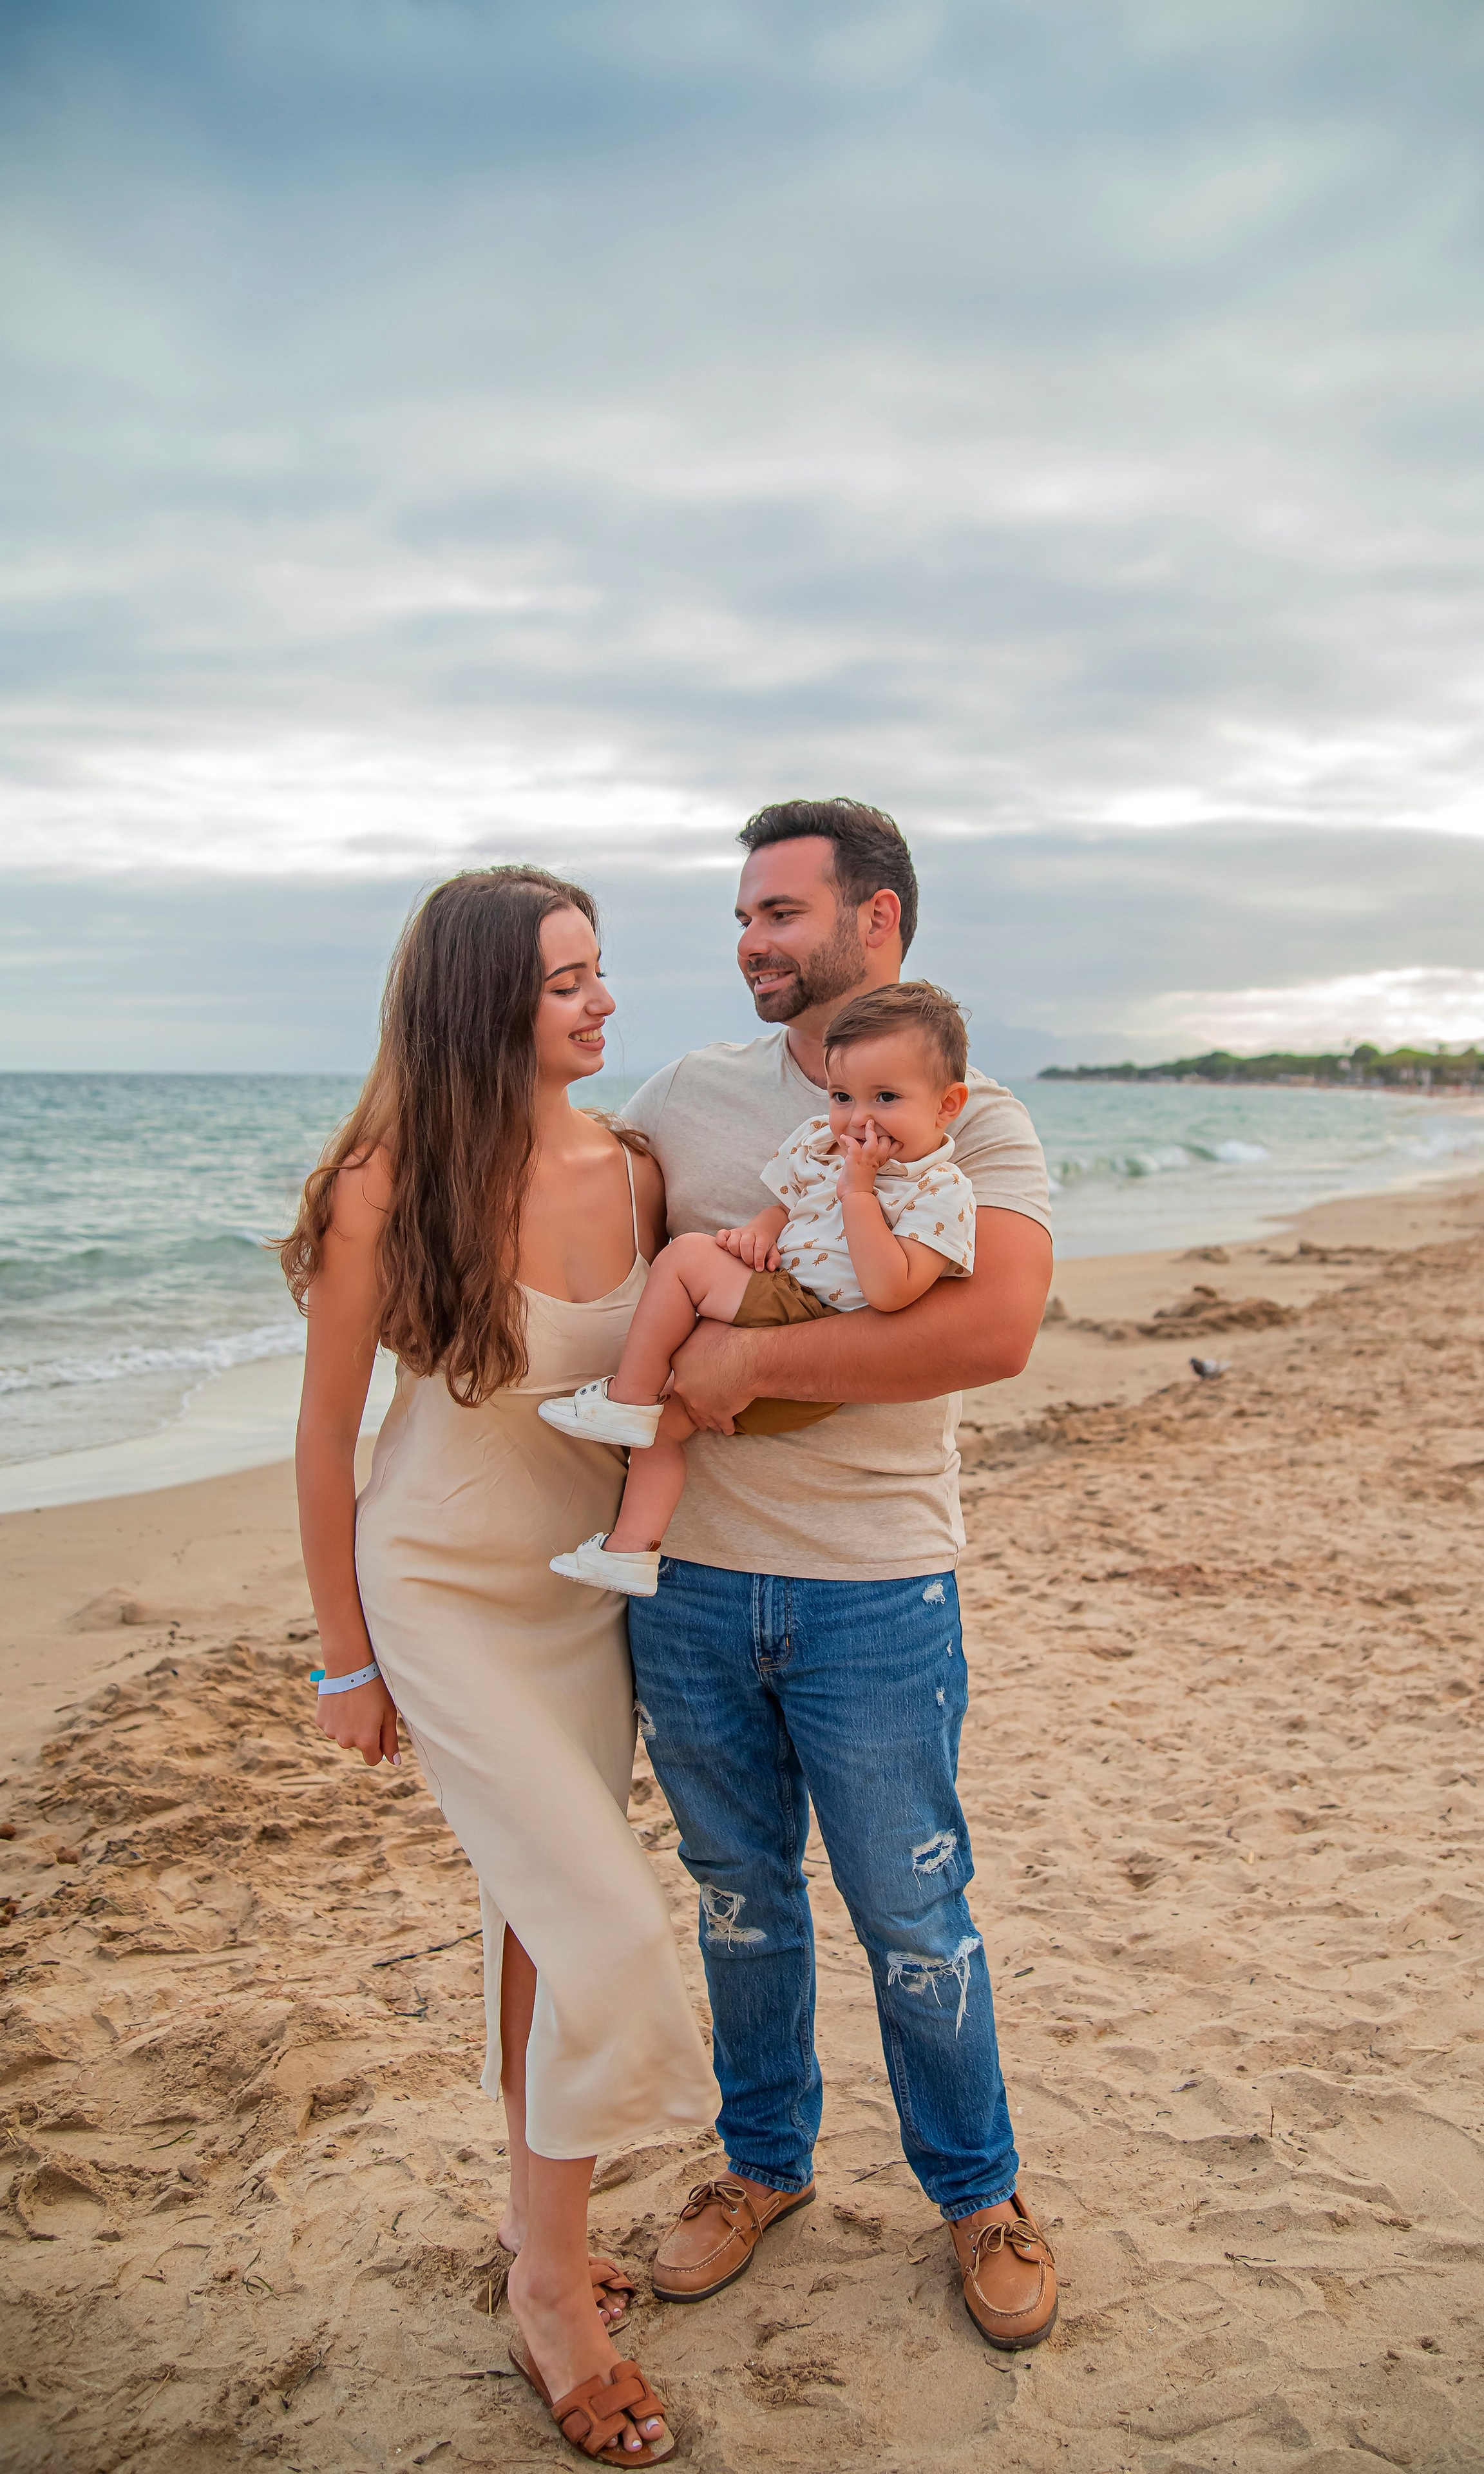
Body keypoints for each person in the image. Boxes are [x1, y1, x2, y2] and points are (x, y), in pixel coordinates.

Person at [281, 865, 718, 2466]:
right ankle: (550, 2285)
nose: (603, 1002)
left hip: (583, 1594)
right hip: (443, 1587)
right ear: (484, 1005)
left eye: (600, 972)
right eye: (566, 981)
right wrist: (344, 1658)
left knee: (546, 1915)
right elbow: (326, 1440)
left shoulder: (635, 1167)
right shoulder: (384, 1189)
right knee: (602, 1913)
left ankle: (541, 2244)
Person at [623, 800, 1061, 2352]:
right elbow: (571, 1227)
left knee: (911, 1909)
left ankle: (977, 2192)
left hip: (874, 1584)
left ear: (874, 923)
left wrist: (742, 1363)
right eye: (742, 913)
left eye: (781, 913)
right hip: (683, 1584)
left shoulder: (968, 1115)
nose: (750, 940)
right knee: (738, 1899)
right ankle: (760, 2167)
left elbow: (983, 1332)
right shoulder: (682, 1098)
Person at [540, 979, 977, 1597]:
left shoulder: (942, 1190)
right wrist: (757, 1234)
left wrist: (859, 1191)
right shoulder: (822, 1144)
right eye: (842, 1096)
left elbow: (892, 1290)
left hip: (818, 1322)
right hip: (780, 1288)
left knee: (688, 1258)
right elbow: (786, 1209)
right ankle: (629, 1550)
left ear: (946, 1104)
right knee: (667, 1428)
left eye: (886, 1097)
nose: (859, 1119)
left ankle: (626, 1395)